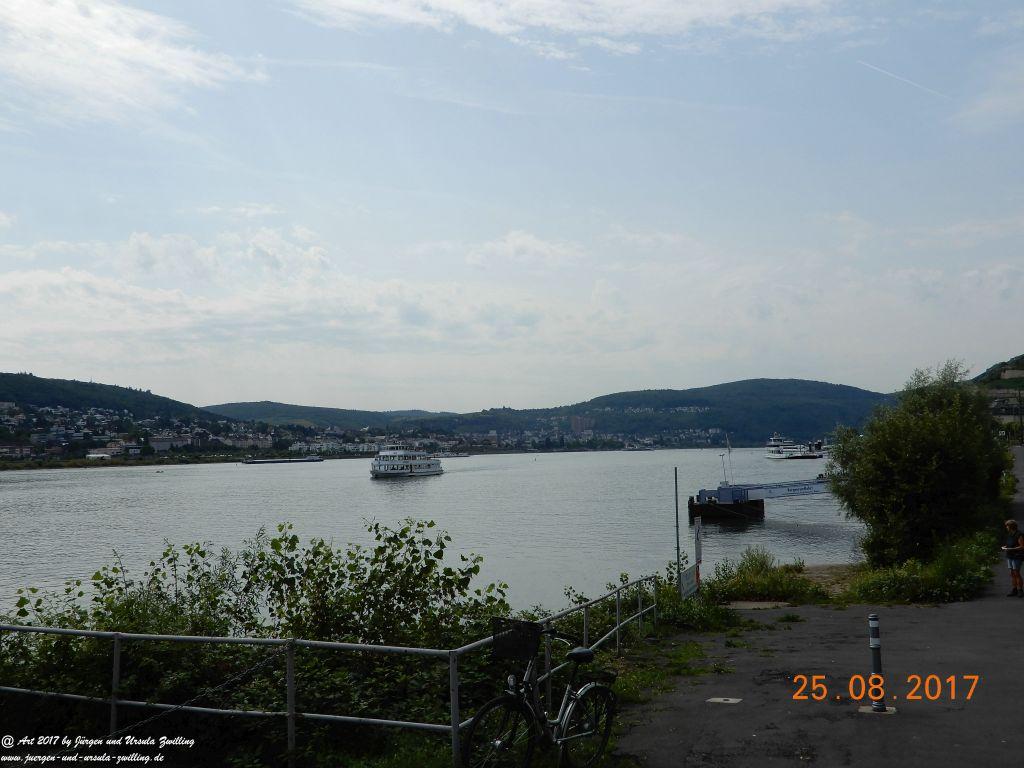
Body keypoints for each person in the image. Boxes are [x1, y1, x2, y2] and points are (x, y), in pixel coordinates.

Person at [1003, 520, 1024, 597]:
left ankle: (1020, 590)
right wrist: (1005, 547)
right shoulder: (1010, 534)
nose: (1006, 527)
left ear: (1011, 526)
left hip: (1017, 556)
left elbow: (1022, 546)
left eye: (1007, 526)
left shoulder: (1019, 534)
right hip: (1010, 556)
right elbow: (1010, 544)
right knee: (1012, 573)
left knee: (1016, 573)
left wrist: (1010, 549)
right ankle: (1014, 589)